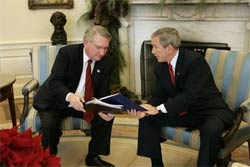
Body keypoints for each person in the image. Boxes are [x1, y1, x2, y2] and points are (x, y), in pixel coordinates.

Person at [128, 27, 235, 167]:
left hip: (209, 111)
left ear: (169, 48)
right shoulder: (160, 66)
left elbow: (189, 96)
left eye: (155, 47)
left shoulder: (195, 62)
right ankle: (156, 164)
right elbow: (159, 95)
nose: (152, 51)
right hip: (185, 112)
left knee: (211, 130)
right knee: (147, 118)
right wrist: (145, 108)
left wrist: (159, 109)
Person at [33, 25, 115, 167]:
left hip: (83, 102)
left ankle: (93, 156)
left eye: (106, 48)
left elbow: (103, 91)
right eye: (98, 47)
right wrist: (70, 97)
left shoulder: (107, 62)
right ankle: (49, 159)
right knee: (49, 126)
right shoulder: (67, 53)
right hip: (54, 101)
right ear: (86, 42)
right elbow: (55, 81)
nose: (102, 52)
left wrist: (104, 108)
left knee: (105, 118)